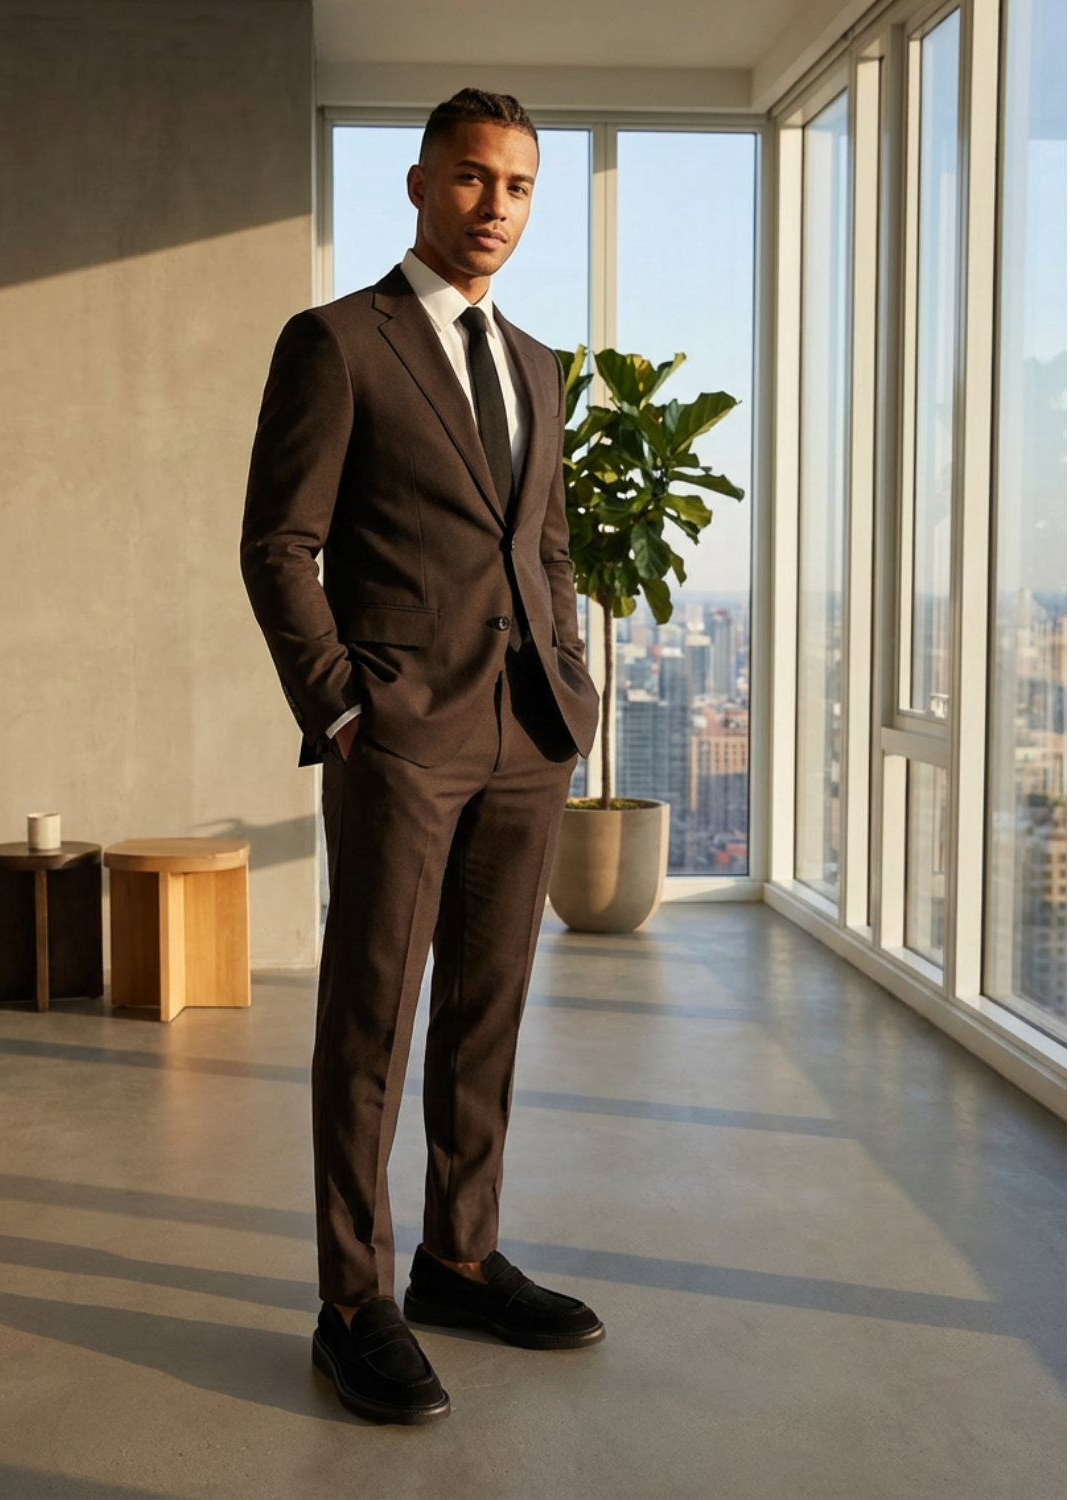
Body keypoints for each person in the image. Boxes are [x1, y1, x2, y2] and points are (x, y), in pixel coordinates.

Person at [242, 88, 603, 1426]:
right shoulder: (337, 342)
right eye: (469, 177)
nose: (492, 204)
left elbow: (545, 550)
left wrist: (569, 681)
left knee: (486, 1013)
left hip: (527, 736)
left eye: (514, 183)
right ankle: (353, 1301)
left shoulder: (538, 365)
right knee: (371, 1018)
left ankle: (458, 1255)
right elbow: (279, 541)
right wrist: (341, 707)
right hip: (399, 736)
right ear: (415, 185)